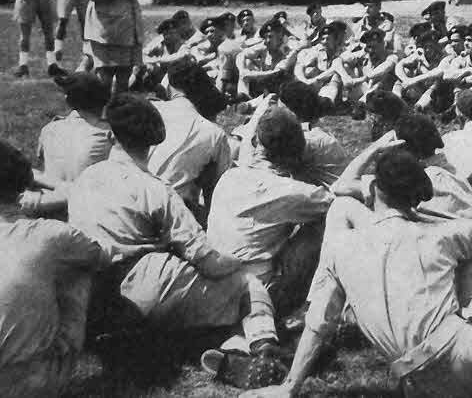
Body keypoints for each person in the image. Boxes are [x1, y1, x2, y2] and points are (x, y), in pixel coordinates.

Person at [244, 147, 472, 398]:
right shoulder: (440, 236)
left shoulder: (341, 247)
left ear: (373, 189)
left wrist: (291, 387)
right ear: (415, 199)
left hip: (417, 382)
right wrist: (422, 216)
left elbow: (319, 321)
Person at [68, 93, 280, 355]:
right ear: (153, 141)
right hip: (144, 288)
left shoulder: (85, 179)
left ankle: (224, 345)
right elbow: (207, 261)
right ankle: (263, 344)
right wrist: (236, 261)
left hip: (91, 296)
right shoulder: (155, 190)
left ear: (112, 135)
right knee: (246, 283)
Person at [0, 140, 110, 398]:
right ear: (23, 186)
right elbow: (102, 256)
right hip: (24, 382)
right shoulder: (50, 235)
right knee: (79, 268)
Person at [208, 106, 334, 320]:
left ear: (257, 143)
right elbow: (335, 201)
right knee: (325, 221)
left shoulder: (230, 176)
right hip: (257, 293)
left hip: (214, 283)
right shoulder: (290, 191)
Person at [147, 59, 232, 225]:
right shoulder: (214, 133)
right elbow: (217, 194)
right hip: (172, 217)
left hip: (127, 201)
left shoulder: (148, 109)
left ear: (170, 87)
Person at [34, 73, 113, 189]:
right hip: (89, 198)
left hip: (50, 194)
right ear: (105, 100)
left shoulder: (49, 129)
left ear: (68, 100)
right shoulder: (110, 134)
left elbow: (41, 160)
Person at [238, 19, 300, 99]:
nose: (267, 41)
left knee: (246, 76)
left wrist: (249, 74)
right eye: (265, 37)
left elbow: (275, 73)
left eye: (270, 37)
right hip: (266, 88)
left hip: (283, 92)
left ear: (280, 35)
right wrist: (242, 69)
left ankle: (245, 103)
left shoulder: (289, 51)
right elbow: (241, 55)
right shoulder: (265, 46)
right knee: (246, 64)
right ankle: (243, 99)